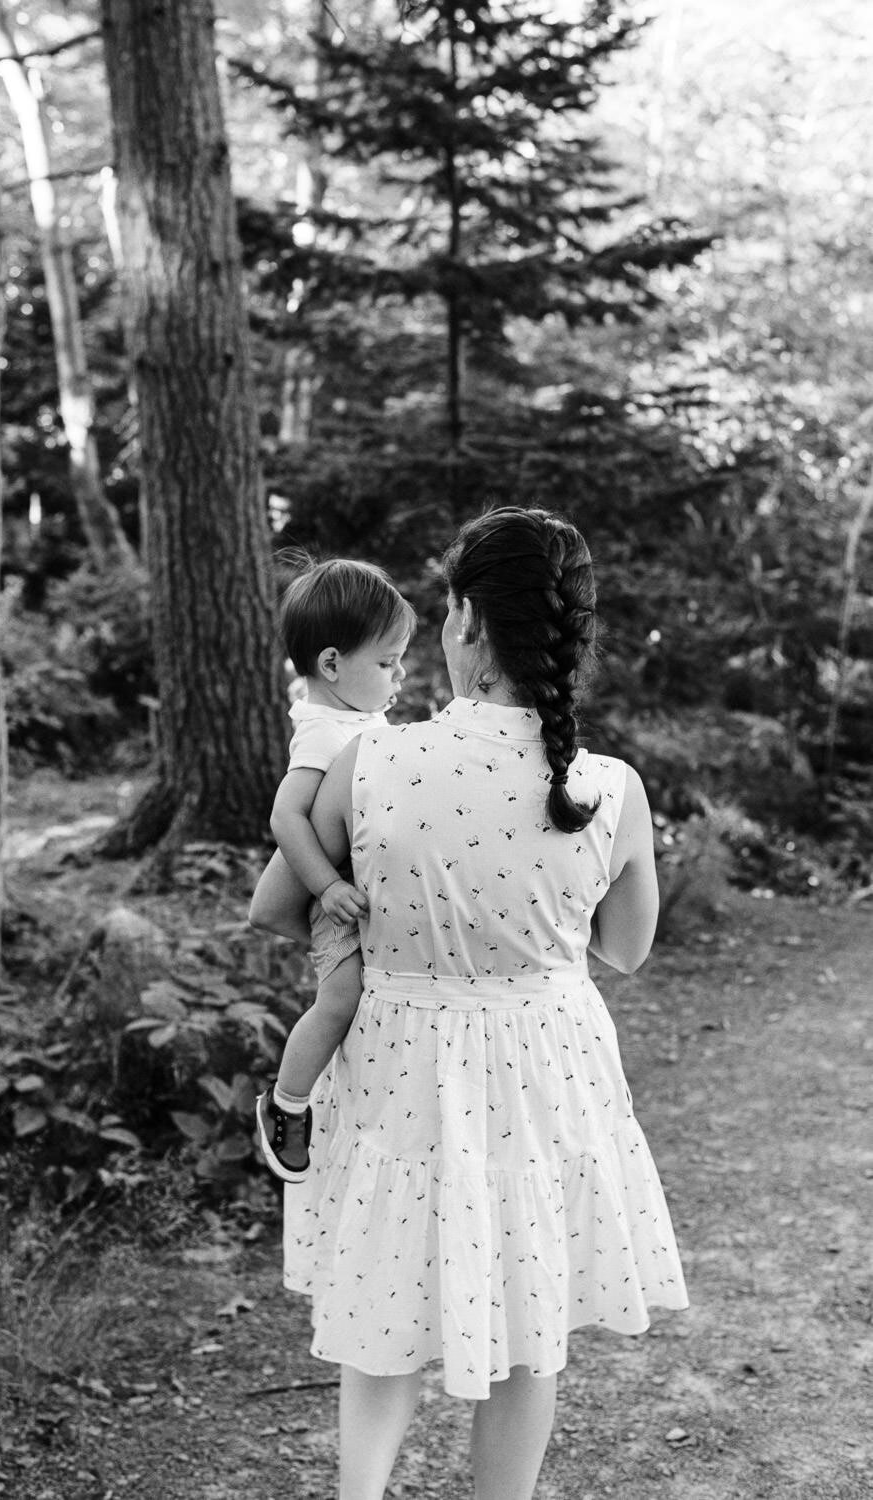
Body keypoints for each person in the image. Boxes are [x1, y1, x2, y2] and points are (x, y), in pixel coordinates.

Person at [249, 506, 689, 1500]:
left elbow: (274, 906)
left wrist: (375, 927)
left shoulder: (371, 761)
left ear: (461, 623)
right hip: (546, 1063)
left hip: (401, 1056)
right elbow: (622, 951)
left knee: (382, 1300)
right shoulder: (610, 787)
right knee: (529, 1314)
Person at [253, 555, 416, 1183]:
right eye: (385, 662)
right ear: (331, 664)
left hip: (357, 887)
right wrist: (326, 885)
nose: (399, 674)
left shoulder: (358, 718)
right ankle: (286, 1104)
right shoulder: (324, 732)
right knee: (342, 996)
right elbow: (286, 817)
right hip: (336, 896)